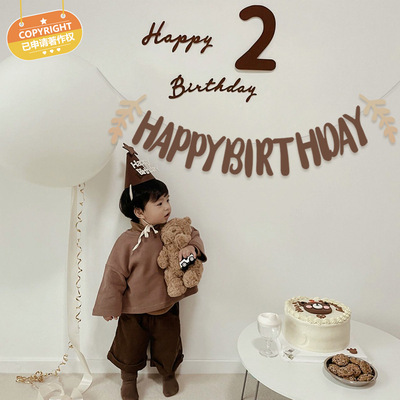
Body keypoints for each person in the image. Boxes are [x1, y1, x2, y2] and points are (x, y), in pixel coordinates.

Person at [92, 144, 206, 400]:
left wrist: (192, 247)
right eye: (159, 203)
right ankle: (128, 379)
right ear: (139, 212)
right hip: (134, 309)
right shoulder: (126, 242)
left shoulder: (172, 229)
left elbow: (194, 234)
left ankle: (168, 373)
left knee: (169, 343)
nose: (167, 207)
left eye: (168, 200)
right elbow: (113, 275)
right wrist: (110, 305)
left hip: (167, 303)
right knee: (129, 346)